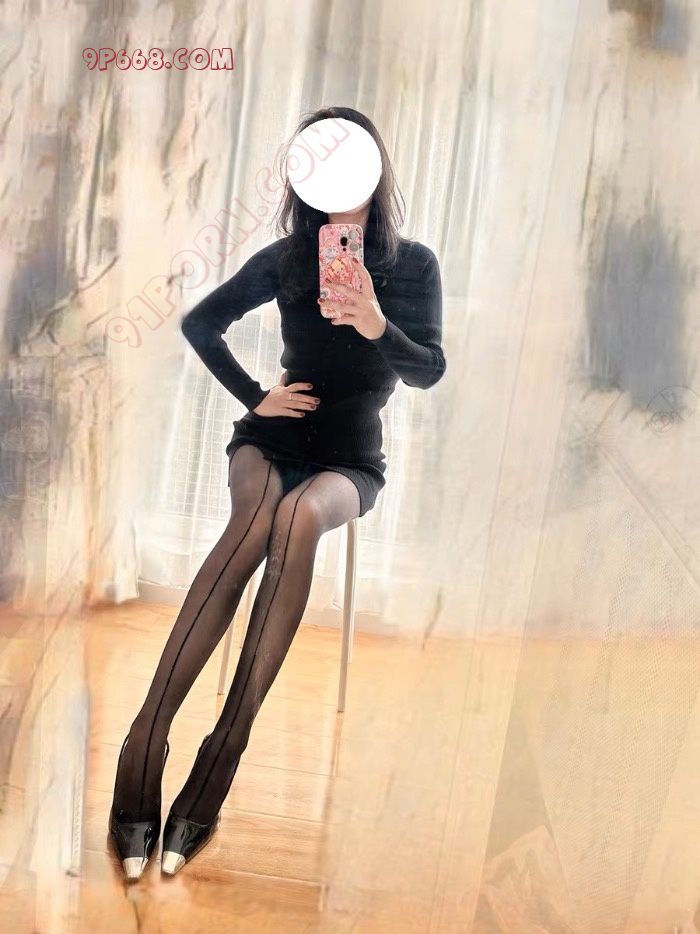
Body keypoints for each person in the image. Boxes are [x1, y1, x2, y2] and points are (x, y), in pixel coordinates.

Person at [108, 106, 446, 879]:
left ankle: (222, 754)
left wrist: (375, 322)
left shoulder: (413, 267)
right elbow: (201, 324)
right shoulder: (290, 258)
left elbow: (429, 370)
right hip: (271, 441)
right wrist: (257, 397)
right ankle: (145, 743)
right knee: (261, 514)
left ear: (375, 172)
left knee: (297, 516)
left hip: (349, 461)